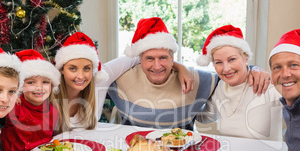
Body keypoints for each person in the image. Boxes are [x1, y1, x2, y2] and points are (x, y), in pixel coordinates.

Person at [108, 17, 270, 130]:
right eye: (149, 58)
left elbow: (229, 74)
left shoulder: (197, 79)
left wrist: (255, 69)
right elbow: (89, 80)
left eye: (163, 58)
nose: (157, 66)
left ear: (172, 58)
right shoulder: (120, 79)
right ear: (139, 59)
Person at [196, 25, 300, 141]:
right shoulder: (220, 86)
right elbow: (205, 116)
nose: (226, 68)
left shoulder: (268, 85)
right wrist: (188, 103)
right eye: (218, 62)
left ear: (246, 59)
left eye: (232, 59)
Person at [54, 31, 192, 131]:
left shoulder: (100, 80)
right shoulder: (49, 91)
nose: (80, 76)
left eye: (86, 68)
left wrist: (180, 67)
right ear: (61, 69)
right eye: (72, 69)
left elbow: (141, 56)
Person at [0, 49, 60, 151]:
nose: (39, 87)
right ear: (20, 86)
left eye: (45, 82)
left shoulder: (53, 110)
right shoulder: (13, 107)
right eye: (31, 82)